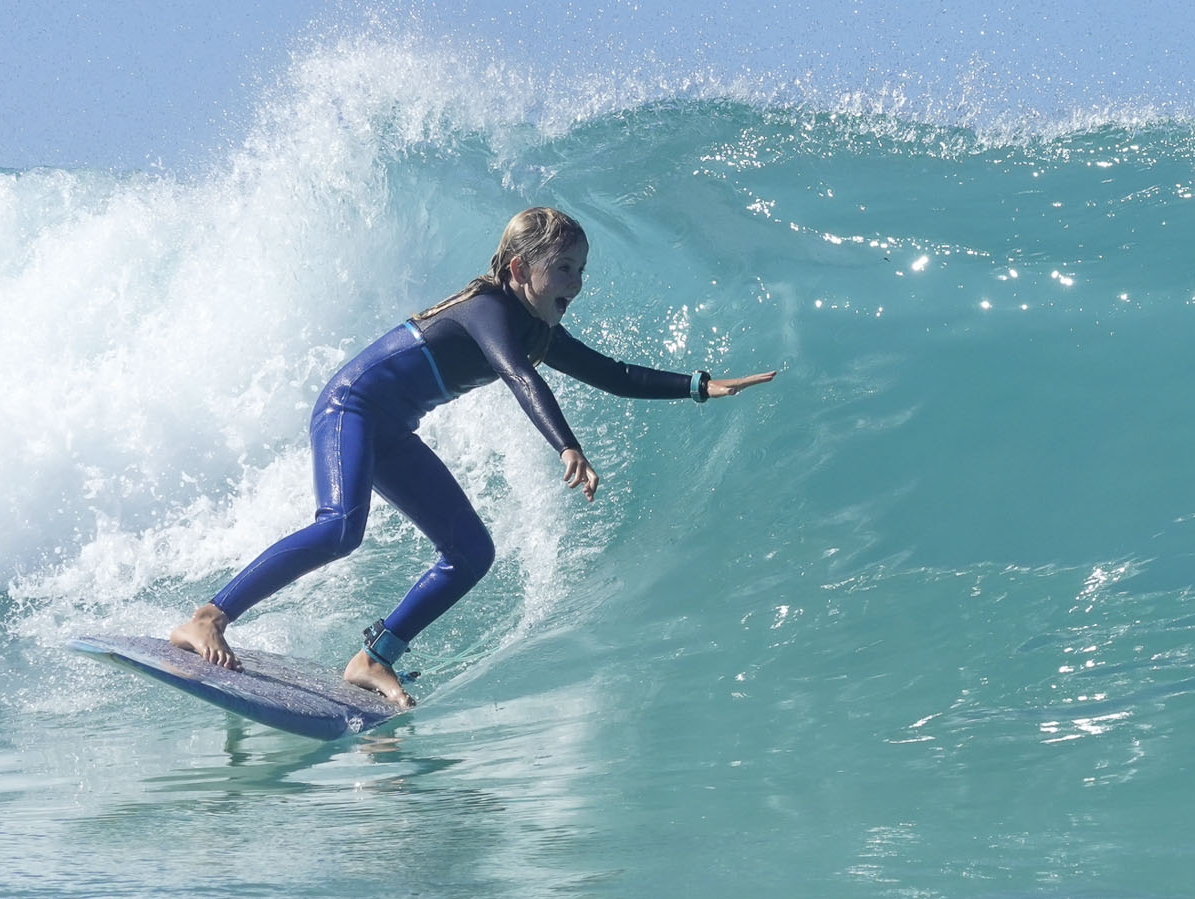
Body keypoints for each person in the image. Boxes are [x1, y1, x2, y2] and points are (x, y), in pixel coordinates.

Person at [170, 207, 777, 706]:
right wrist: (567, 444)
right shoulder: (489, 311)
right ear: (519, 269)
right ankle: (209, 616)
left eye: (582, 271)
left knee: (470, 552)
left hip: (392, 429)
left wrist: (700, 386)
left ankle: (372, 657)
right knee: (340, 529)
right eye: (563, 268)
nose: (576, 283)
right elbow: (517, 378)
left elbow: (611, 375)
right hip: (350, 408)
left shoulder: (537, 329)